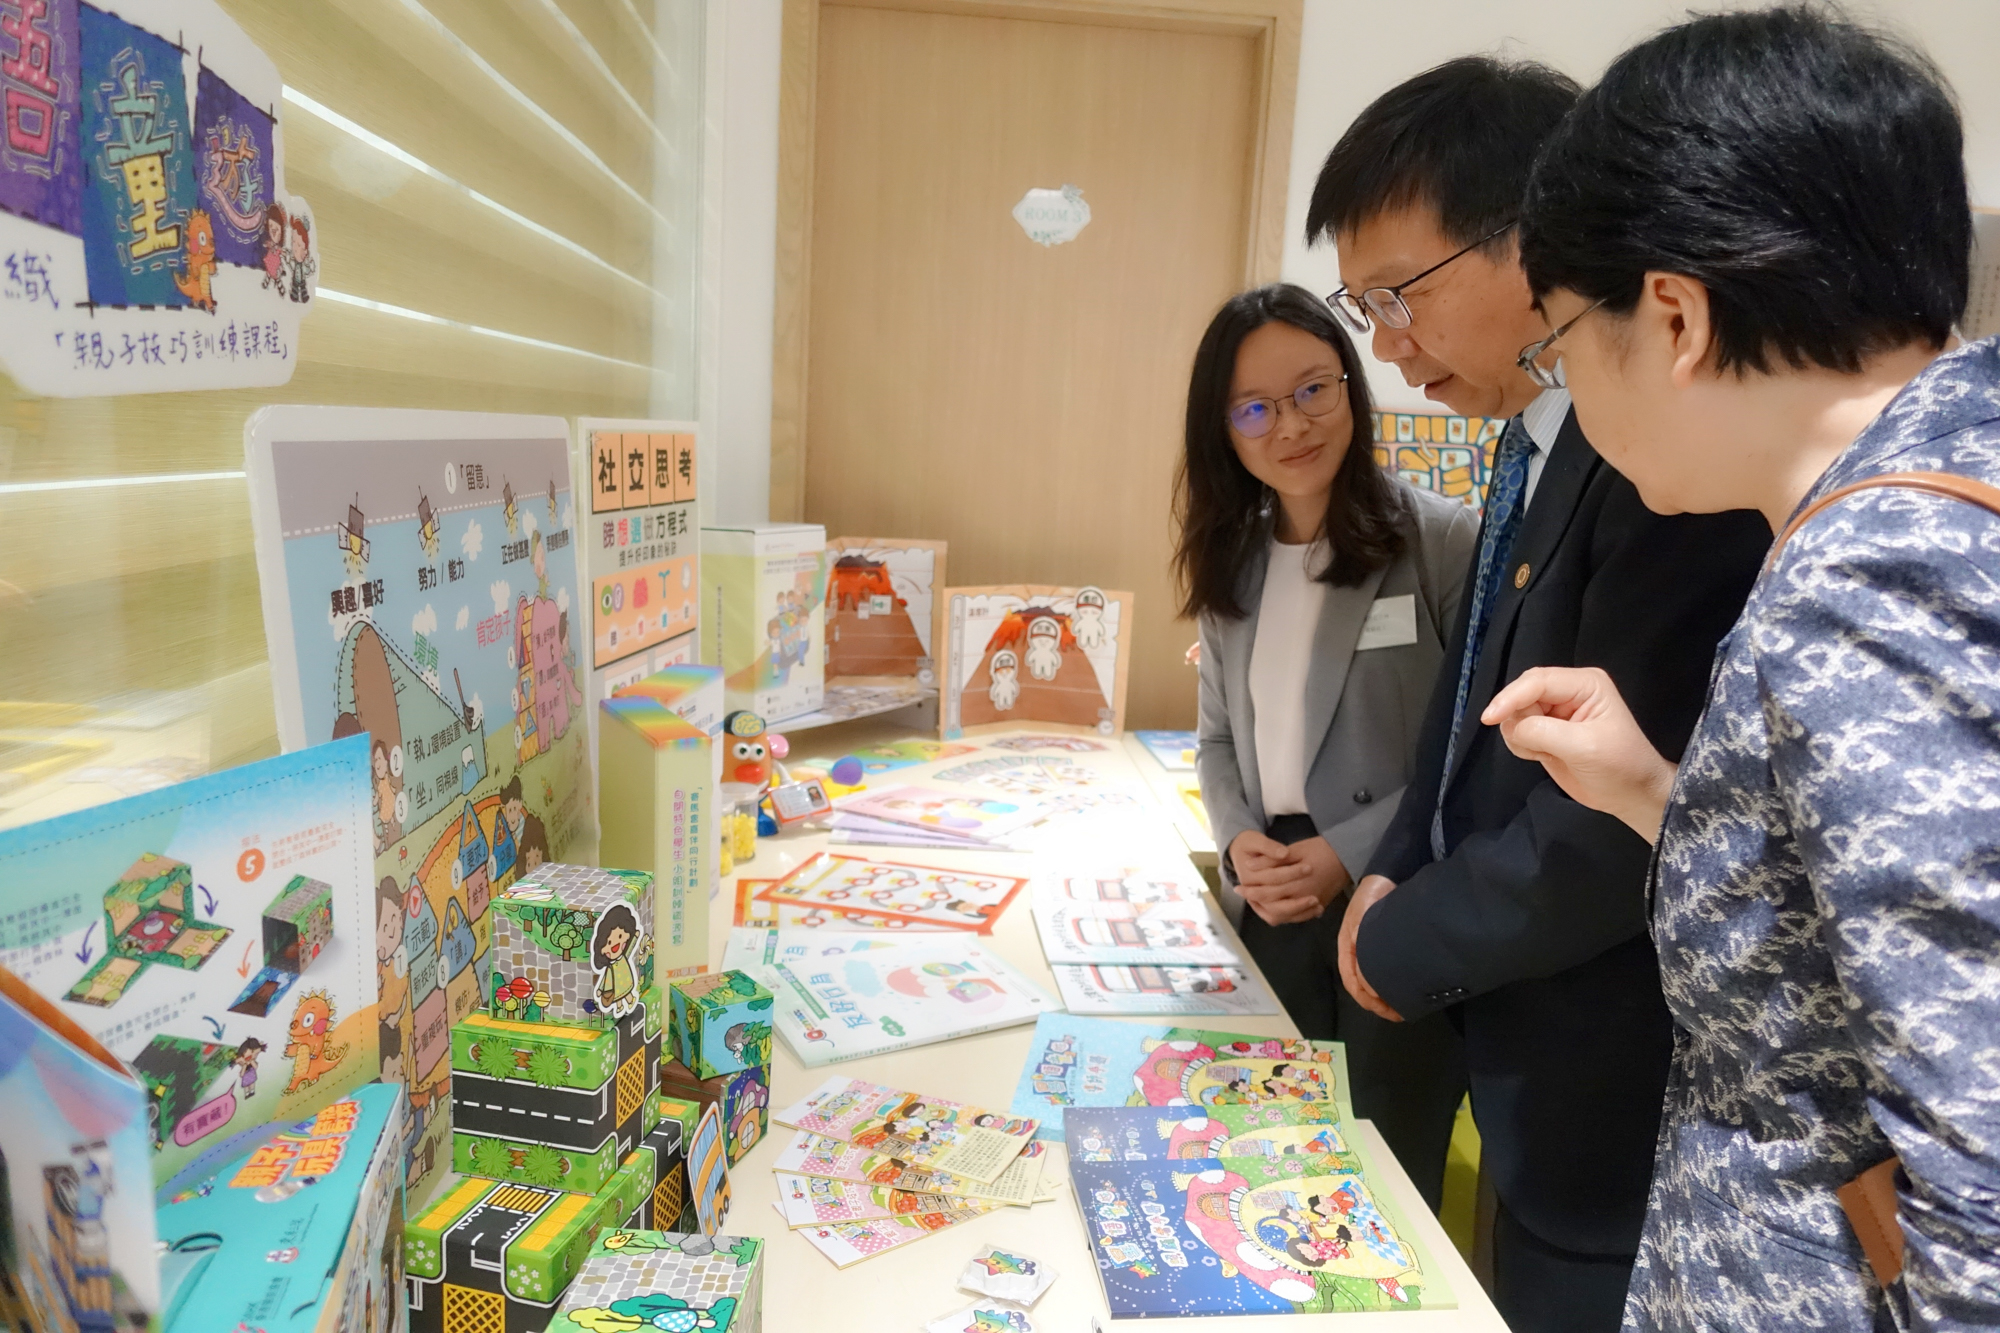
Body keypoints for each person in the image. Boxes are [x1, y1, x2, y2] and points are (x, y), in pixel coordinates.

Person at [1481, 9, 2000, 1327]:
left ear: (1672, 315)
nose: (1564, 382)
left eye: (1559, 339)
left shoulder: (1874, 573)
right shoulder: (1937, 488)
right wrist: (1657, 790)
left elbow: (1982, 1163)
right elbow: (1870, 942)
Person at [1306, 57, 1771, 1325]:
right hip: (1489, 1019)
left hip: (1603, 1089)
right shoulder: (1527, 447)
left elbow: (1609, 828)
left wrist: (1395, 933)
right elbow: (1465, 715)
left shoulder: (1665, 473)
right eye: (1362, 306)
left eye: (1400, 293)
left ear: (1536, 239)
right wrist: (1390, 872)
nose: (1386, 343)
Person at [1177, 284, 1478, 1045]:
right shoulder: (1230, 557)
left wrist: (1347, 851)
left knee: (1387, 1108)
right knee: (1262, 1107)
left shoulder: (1441, 540)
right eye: (1254, 409)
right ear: (1223, 430)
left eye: (1313, 390)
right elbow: (1217, 738)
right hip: (1267, 896)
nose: (1291, 426)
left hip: (1395, 892)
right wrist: (1237, 841)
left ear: (1350, 383)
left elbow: (1474, 744)